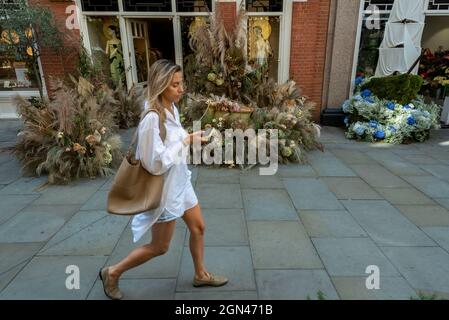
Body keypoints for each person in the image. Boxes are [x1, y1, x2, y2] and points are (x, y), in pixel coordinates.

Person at [99, 59, 228, 300]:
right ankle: (113, 272)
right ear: (161, 85)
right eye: (175, 85)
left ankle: (201, 274)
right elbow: (154, 163)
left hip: (180, 181)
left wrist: (189, 136)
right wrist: (185, 142)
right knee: (160, 247)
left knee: (198, 227)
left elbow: (171, 142)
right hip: (165, 191)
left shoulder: (170, 107)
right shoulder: (151, 118)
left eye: (181, 83)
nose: (181, 89)